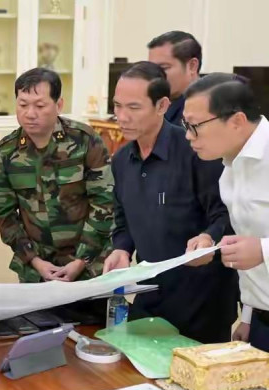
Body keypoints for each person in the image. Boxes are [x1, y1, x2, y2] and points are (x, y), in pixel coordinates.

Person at [103, 61, 238, 343]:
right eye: (117, 106)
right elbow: (123, 219)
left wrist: (208, 237)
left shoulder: (197, 151)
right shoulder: (121, 160)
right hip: (149, 295)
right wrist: (122, 249)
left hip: (201, 302)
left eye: (134, 107)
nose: (122, 117)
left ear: (162, 105)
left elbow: (228, 214)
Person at [0, 68, 114, 323]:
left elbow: (104, 204)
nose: (30, 113)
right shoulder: (7, 151)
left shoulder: (85, 141)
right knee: (38, 339)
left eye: (39, 105)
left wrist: (81, 260)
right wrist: (34, 261)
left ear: (59, 105)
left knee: (93, 337)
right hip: (36, 274)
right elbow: (4, 214)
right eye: (23, 104)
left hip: (89, 271)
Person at [182, 73, 269, 351]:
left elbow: (258, 247)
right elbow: (251, 239)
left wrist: (263, 250)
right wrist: (249, 316)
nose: (188, 135)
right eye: (185, 125)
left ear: (237, 121)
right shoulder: (230, 167)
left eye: (195, 126)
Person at [147, 31, 202, 126]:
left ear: (192, 66)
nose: (154, 74)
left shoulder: (207, 112)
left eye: (164, 68)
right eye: (151, 68)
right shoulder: (158, 104)